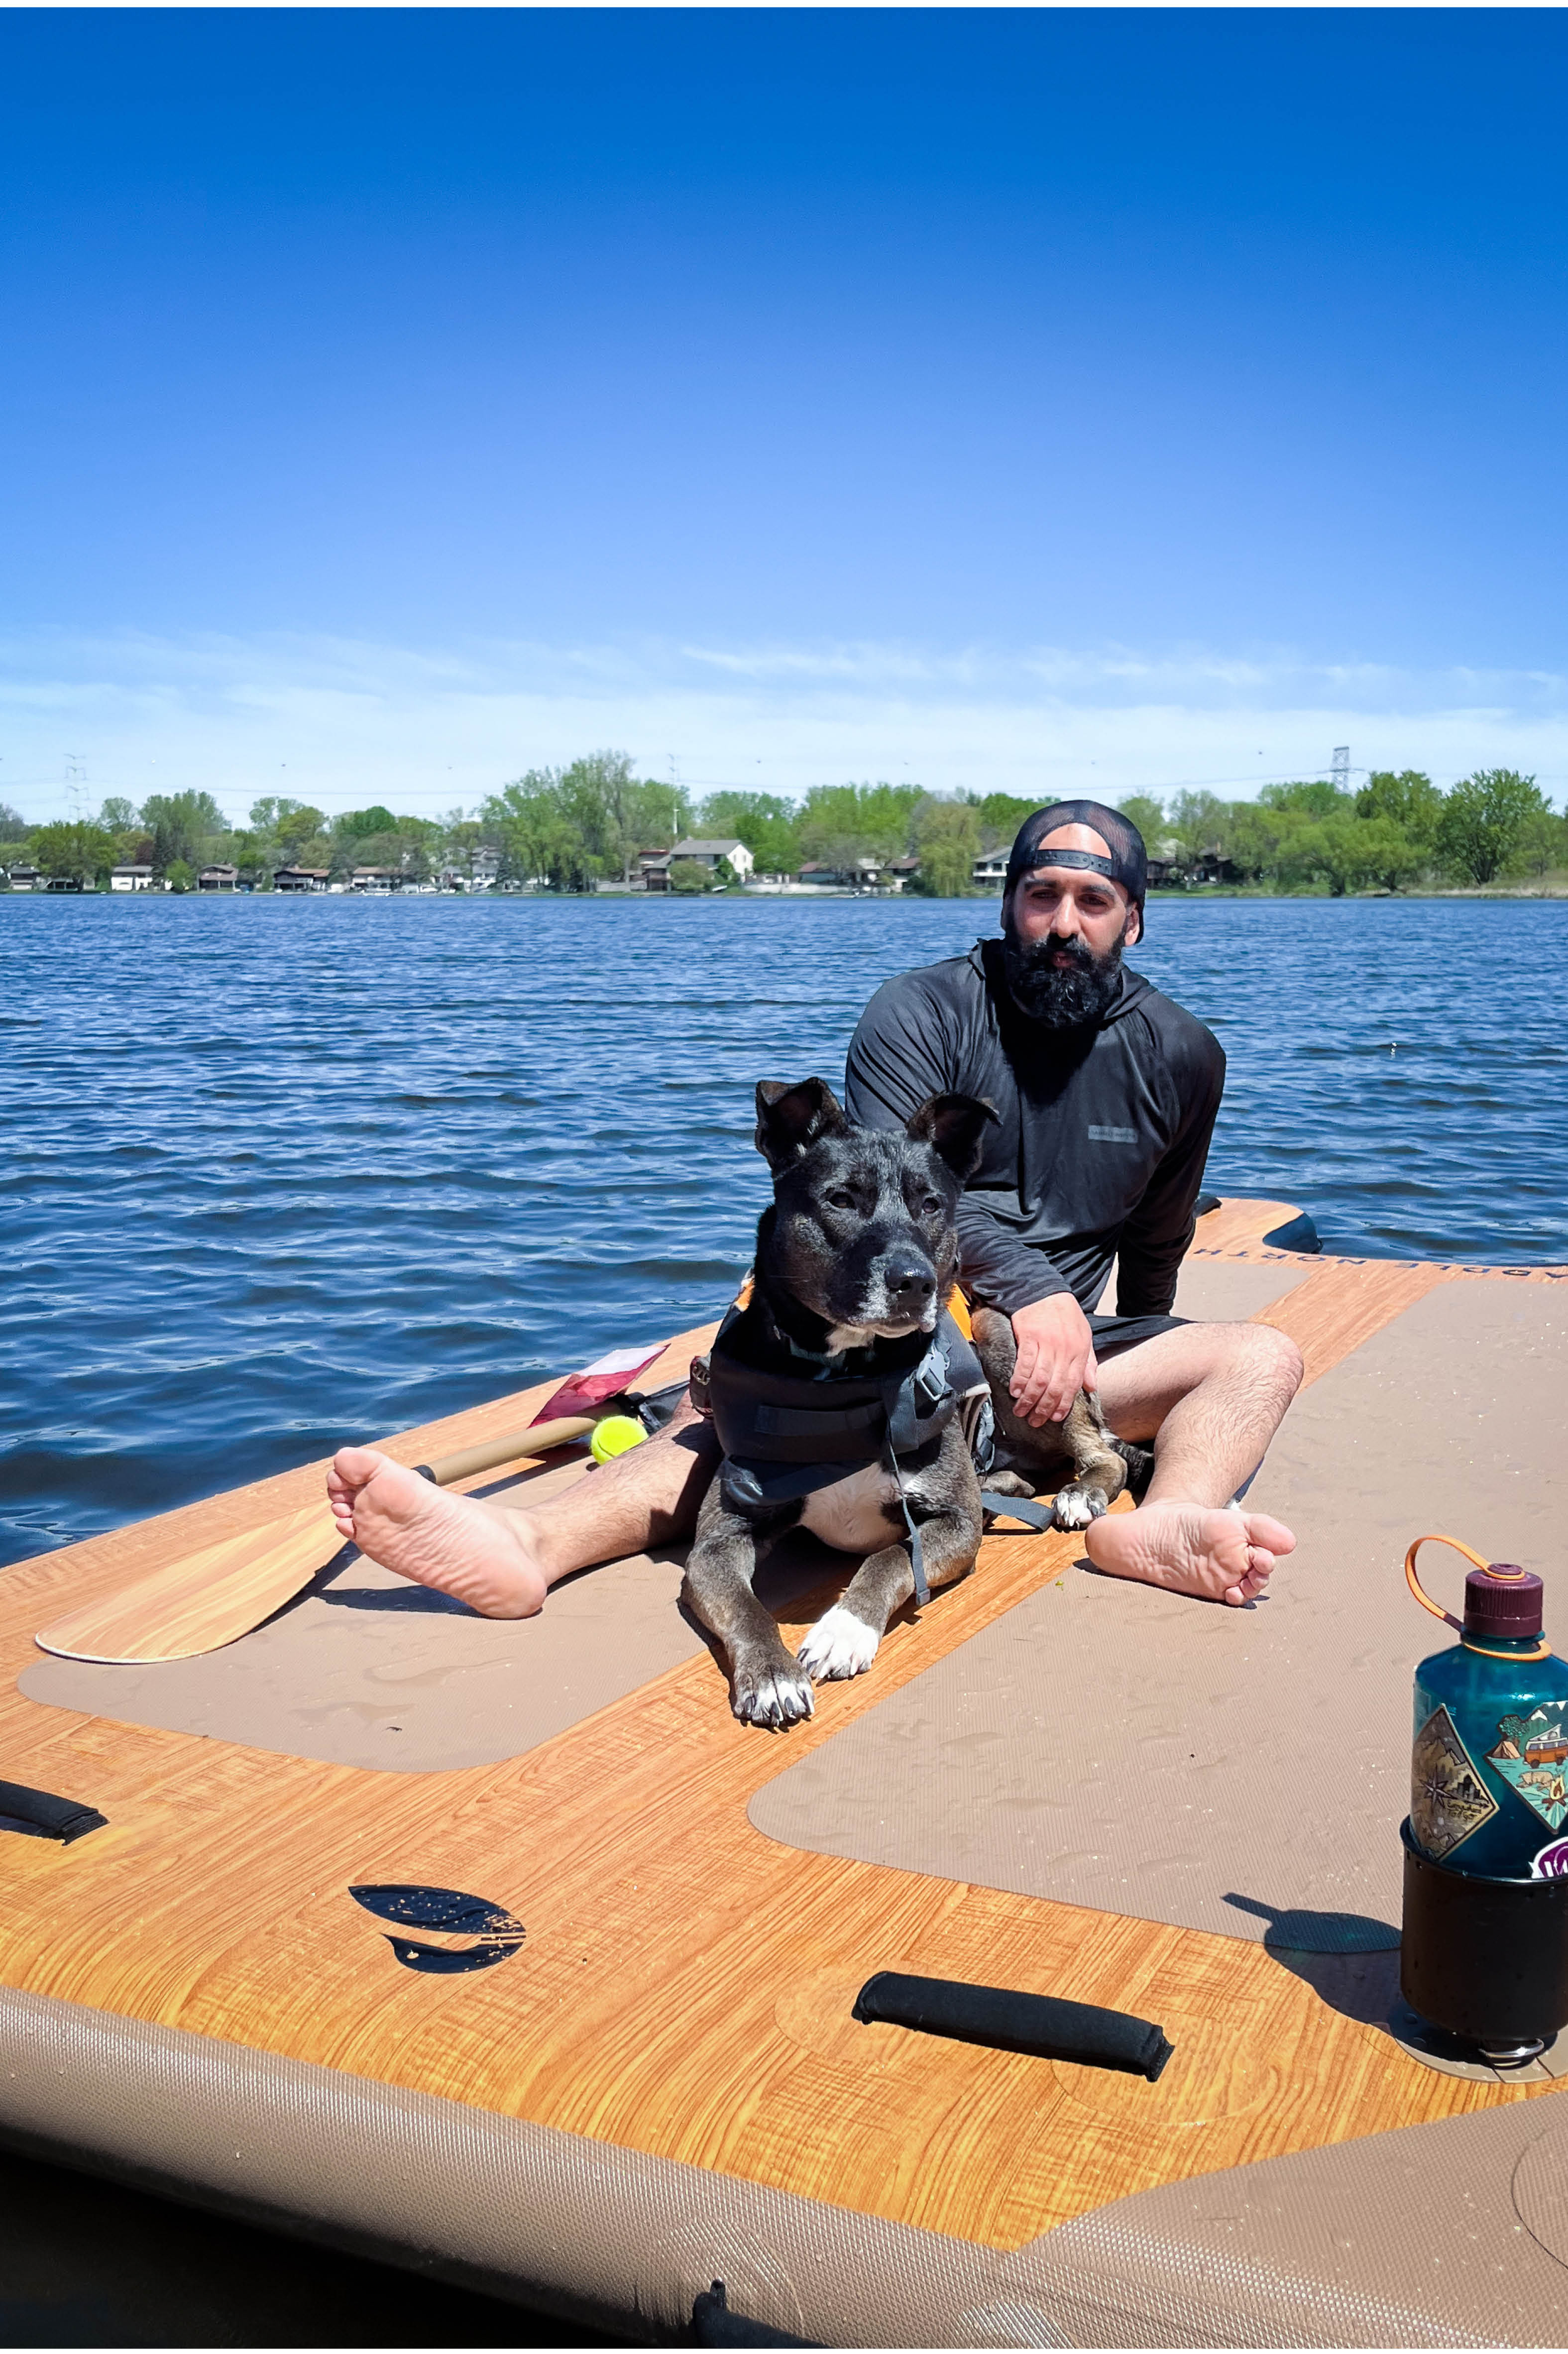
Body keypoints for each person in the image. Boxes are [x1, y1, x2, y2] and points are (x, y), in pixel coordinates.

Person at [327, 801, 1300, 1618]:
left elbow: (1159, 1237)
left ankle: (1167, 1516)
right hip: (900, 1328)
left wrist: (1101, 1338)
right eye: (1040, 894)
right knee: (749, 1423)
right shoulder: (918, 1012)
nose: (1061, 922)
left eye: (1093, 901)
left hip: (1055, 1364)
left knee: (1263, 1356)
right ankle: (530, 1540)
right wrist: (1031, 1288)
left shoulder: (1184, 1054)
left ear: (1136, 918)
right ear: (1008, 904)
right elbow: (883, 1212)